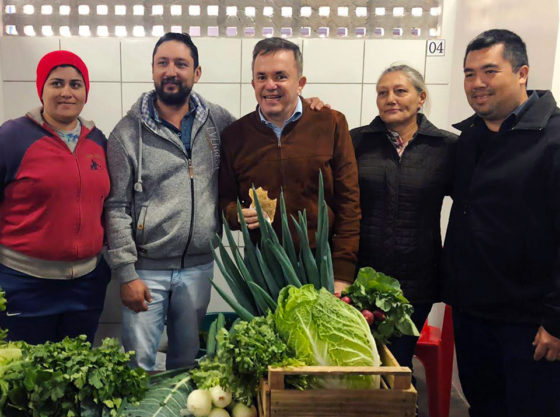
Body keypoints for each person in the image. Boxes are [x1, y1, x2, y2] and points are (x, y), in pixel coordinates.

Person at [442, 29, 560, 417]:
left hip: (531, 323)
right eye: (469, 73)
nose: (476, 84)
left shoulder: (553, 139)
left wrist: (557, 321)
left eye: (489, 71)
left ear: (522, 73)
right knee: (484, 408)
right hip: (473, 315)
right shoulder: (469, 138)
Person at [104, 33, 236, 371]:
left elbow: (258, 133)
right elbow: (116, 207)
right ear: (152, 70)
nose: (171, 71)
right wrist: (126, 274)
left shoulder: (218, 122)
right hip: (146, 271)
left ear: (197, 72)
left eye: (181, 63)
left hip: (199, 268)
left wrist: (306, 106)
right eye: (163, 63)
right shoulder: (126, 134)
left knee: (185, 365)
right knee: (139, 366)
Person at [219, 37, 361, 293]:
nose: (269, 85)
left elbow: (349, 204)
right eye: (261, 77)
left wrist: (342, 274)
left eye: (280, 76)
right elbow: (223, 201)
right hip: (264, 273)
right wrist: (235, 214)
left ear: (301, 83)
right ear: (253, 83)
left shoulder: (331, 124)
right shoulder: (234, 136)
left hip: (322, 269)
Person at [350, 64, 456, 372]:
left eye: (400, 91)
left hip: (417, 281)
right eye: (382, 93)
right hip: (363, 278)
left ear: (421, 97)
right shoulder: (356, 142)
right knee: (361, 360)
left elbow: (470, 208)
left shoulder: (446, 147)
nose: (390, 99)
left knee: (398, 361)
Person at [0, 50, 110, 344]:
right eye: (56, 83)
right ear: (42, 89)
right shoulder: (12, 138)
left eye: (75, 84)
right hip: (24, 285)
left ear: (86, 92)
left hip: (86, 284)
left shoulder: (98, 141)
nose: (66, 92)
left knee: (76, 375)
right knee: (25, 379)